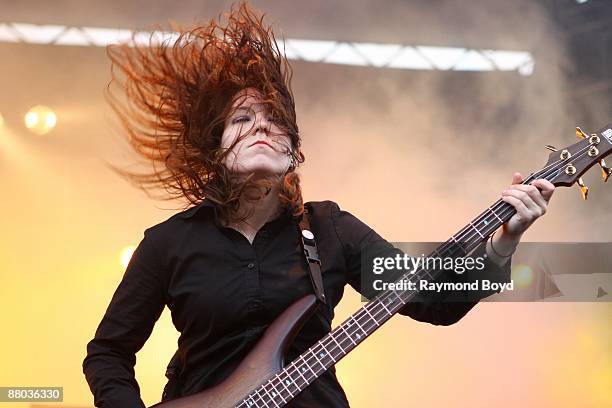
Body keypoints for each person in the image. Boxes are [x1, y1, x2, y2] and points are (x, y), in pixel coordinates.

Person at [82, 2, 555, 407]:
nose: (263, 127)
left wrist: (502, 245)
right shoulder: (171, 242)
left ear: (292, 150)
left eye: (275, 120)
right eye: (242, 118)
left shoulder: (329, 228)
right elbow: (107, 352)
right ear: (215, 148)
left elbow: (435, 303)